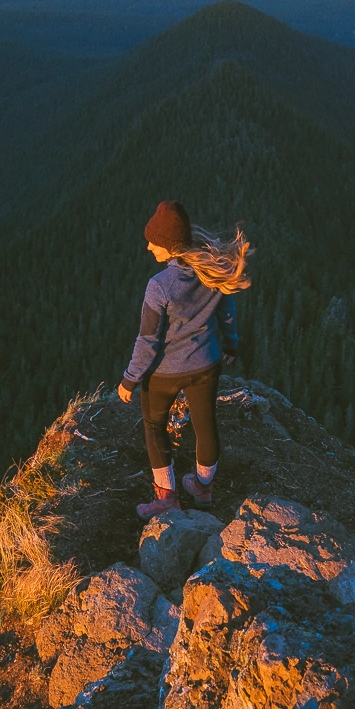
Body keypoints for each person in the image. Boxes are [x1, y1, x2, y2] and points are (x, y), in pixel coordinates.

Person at [118, 199, 252, 519]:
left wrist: (130, 379)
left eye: (155, 242)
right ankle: (202, 488)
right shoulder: (212, 269)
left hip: (165, 373)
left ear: (171, 246)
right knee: (205, 426)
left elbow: (148, 342)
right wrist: (231, 346)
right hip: (206, 364)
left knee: (154, 425)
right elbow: (226, 313)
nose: (149, 247)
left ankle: (167, 498)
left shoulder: (159, 286)